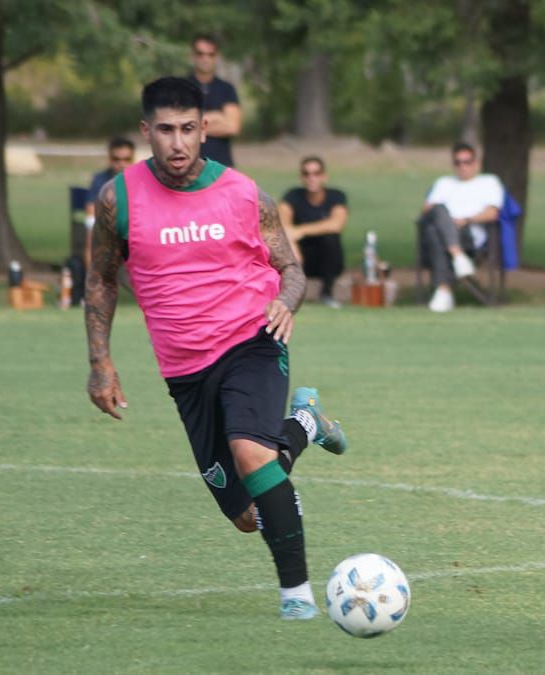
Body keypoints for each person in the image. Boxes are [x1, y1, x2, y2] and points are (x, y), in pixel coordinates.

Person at [84, 77, 349, 621]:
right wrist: (100, 361)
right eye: (164, 130)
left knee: (253, 456)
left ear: (205, 129)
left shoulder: (245, 194)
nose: (177, 143)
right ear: (145, 131)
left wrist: (286, 303)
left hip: (252, 339)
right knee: (248, 514)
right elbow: (102, 279)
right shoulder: (118, 200)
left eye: (187, 129)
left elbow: (291, 270)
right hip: (184, 371)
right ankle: (304, 423)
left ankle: (296, 597)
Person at [417, 142, 505, 312]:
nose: (463, 166)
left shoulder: (489, 182)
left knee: (434, 231)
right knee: (436, 218)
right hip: (445, 232)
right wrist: (446, 220)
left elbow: (492, 213)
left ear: (477, 163)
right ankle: (457, 258)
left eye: (467, 161)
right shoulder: (443, 183)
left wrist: (466, 220)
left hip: (470, 233)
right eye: (458, 162)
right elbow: (427, 210)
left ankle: (444, 290)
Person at [278, 156, 349, 308]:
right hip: (302, 259)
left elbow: (336, 224)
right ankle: (292, 294)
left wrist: (300, 231)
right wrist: (292, 240)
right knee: (284, 243)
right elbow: (283, 224)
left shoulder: (336, 197)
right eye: (307, 174)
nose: (312, 178)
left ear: (324, 176)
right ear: (302, 177)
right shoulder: (292, 196)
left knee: (330, 238)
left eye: (316, 173)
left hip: (329, 261)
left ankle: (327, 293)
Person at [187, 34, 241, 167]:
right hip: (188, 165)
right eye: (200, 54)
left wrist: (194, 125)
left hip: (222, 165)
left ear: (216, 57)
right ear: (192, 56)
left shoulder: (227, 89)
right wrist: (218, 117)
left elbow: (233, 127)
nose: (205, 59)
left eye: (210, 54)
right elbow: (178, 123)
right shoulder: (181, 87)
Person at [83, 137, 135, 265]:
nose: (121, 164)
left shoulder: (139, 178)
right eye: (116, 159)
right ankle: (92, 277)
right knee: (91, 229)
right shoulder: (100, 179)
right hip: (105, 222)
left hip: (132, 223)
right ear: (110, 158)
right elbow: (90, 207)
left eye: (126, 160)